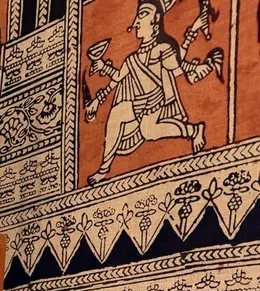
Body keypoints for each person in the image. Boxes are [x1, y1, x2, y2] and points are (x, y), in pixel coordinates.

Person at [85, 0, 221, 185]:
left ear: (156, 19)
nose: (137, 21)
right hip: (139, 104)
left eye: (143, 14)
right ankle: (103, 169)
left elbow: (176, 69)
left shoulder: (162, 49)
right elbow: (117, 79)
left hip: (156, 103)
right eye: (138, 15)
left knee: (149, 132)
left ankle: (193, 130)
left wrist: (199, 67)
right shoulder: (132, 59)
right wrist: (96, 102)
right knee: (117, 114)